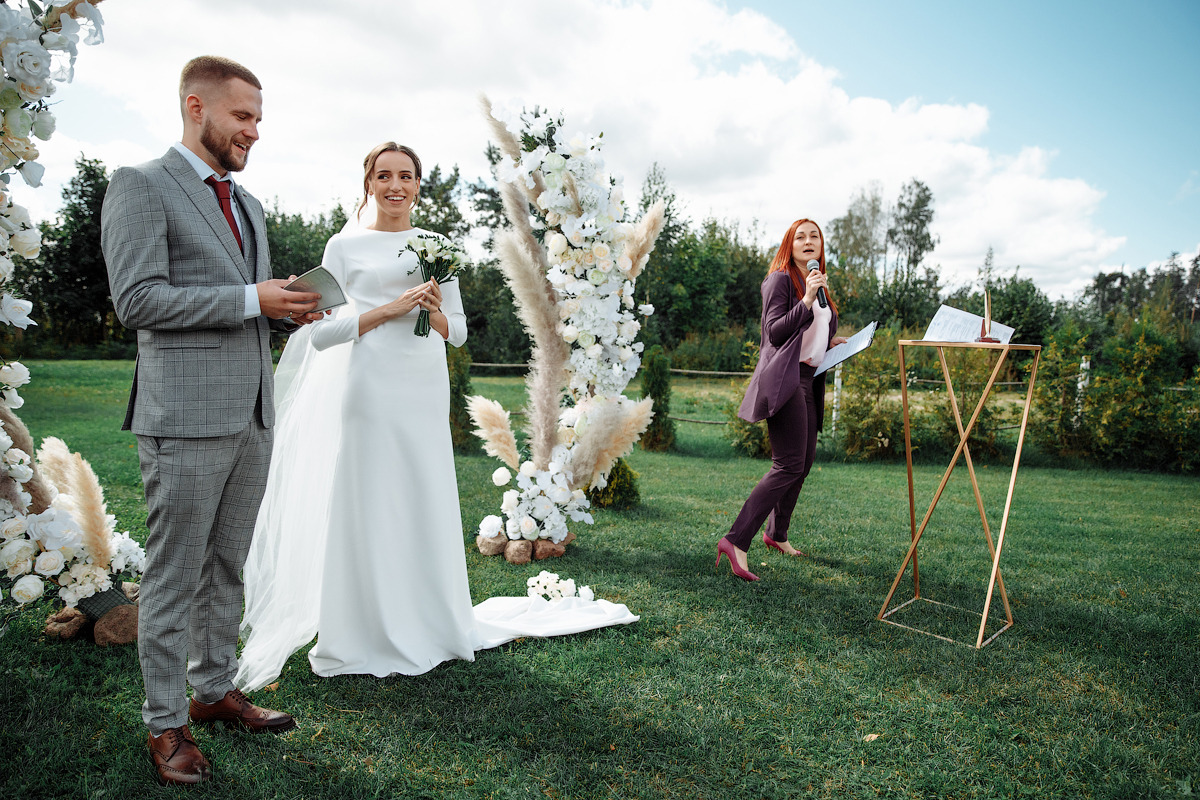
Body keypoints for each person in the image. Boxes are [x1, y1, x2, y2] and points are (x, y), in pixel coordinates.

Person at [236, 142, 638, 691]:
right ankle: (361, 627)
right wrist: (386, 311)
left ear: (419, 185)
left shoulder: (436, 247)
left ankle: (429, 620)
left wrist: (433, 314)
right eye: (384, 175)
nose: (395, 184)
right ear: (369, 183)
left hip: (422, 388)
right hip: (369, 388)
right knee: (369, 498)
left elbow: (461, 330)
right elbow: (319, 330)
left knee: (421, 496)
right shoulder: (344, 244)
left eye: (406, 175)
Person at [101, 56, 324, 786]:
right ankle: (165, 725)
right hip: (184, 419)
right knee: (175, 575)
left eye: (259, 118)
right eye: (243, 117)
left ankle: (214, 690)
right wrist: (250, 301)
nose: (254, 131)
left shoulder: (250, 204)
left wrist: (288, 308)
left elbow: (247, 302)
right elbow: (137, 301)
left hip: (252, 414)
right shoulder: (140, 186)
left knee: (228, 565)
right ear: (196, 108)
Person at [717, 219, 848, 581]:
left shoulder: (820, 283)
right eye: (800, 237)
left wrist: (830, 341)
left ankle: (777, 534)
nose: (808, 242)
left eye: (814, 236)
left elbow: (810, 332)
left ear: (822, 246)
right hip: (786, 380)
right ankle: (735, 540)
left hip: (809, 379)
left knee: (803, 464)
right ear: (789, 246)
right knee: (788, 463)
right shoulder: (781, 280)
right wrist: (806, 298)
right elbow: (774, 332)